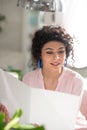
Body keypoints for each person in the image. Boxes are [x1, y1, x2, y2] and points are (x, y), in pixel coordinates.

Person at [23, 25, 87, 130]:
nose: (56, 57)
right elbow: (26, 113)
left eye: (61, 51)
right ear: (40, 55)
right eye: (49, 52)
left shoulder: (76, 80)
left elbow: (68, 118)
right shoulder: (28, 79)